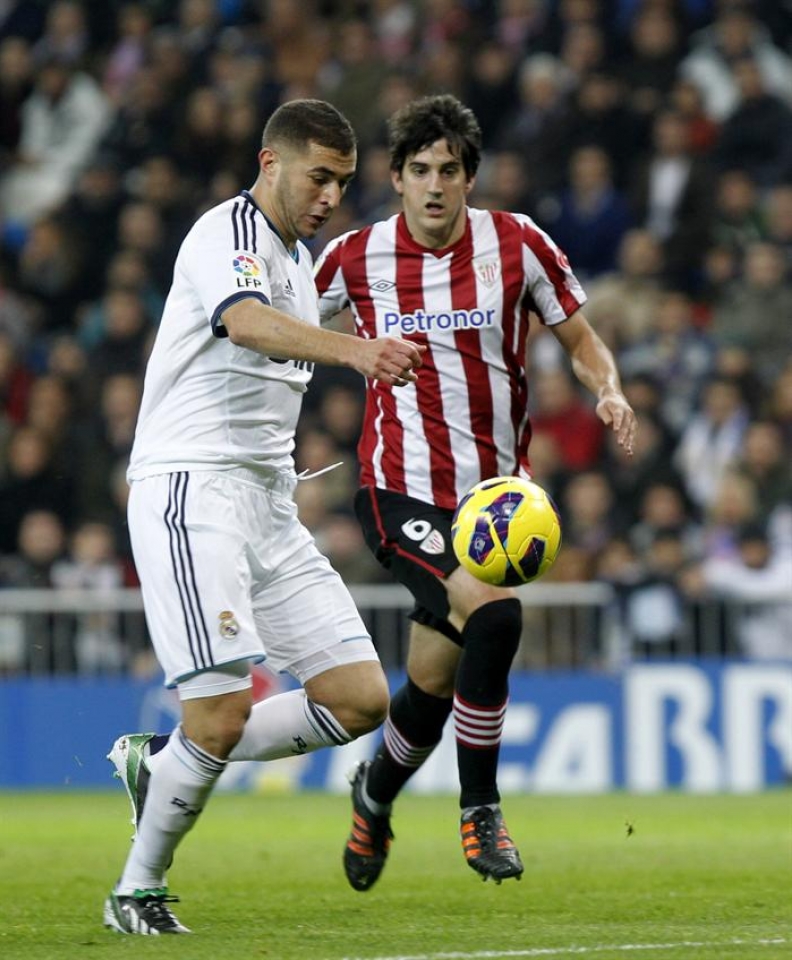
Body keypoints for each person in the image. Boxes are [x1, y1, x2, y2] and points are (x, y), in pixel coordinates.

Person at [102, 98, 424, 936]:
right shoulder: (226, 234)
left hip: (267, 502)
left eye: (343, 183)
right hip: (191, 489)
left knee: (359, 699)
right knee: (219, 709)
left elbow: (296, 318)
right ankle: (136, 890)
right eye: (319, 176)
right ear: (270, 161)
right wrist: (357, 351)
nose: (329, 195)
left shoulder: (299, 263)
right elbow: (245, 325)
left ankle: (165, 766)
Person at [312, 94, 637, 891]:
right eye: (418, 170)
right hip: (399, 490)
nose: (433, 186)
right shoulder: (354, 258)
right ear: (393, 178)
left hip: (490, 500)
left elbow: (582, 339)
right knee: (495, 614)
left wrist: (610, 390)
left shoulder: (517, 243)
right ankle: (481, 807)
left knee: (428, 687)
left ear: (469, 179)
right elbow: (285, 330)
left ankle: (373, 796)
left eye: (448, 171)